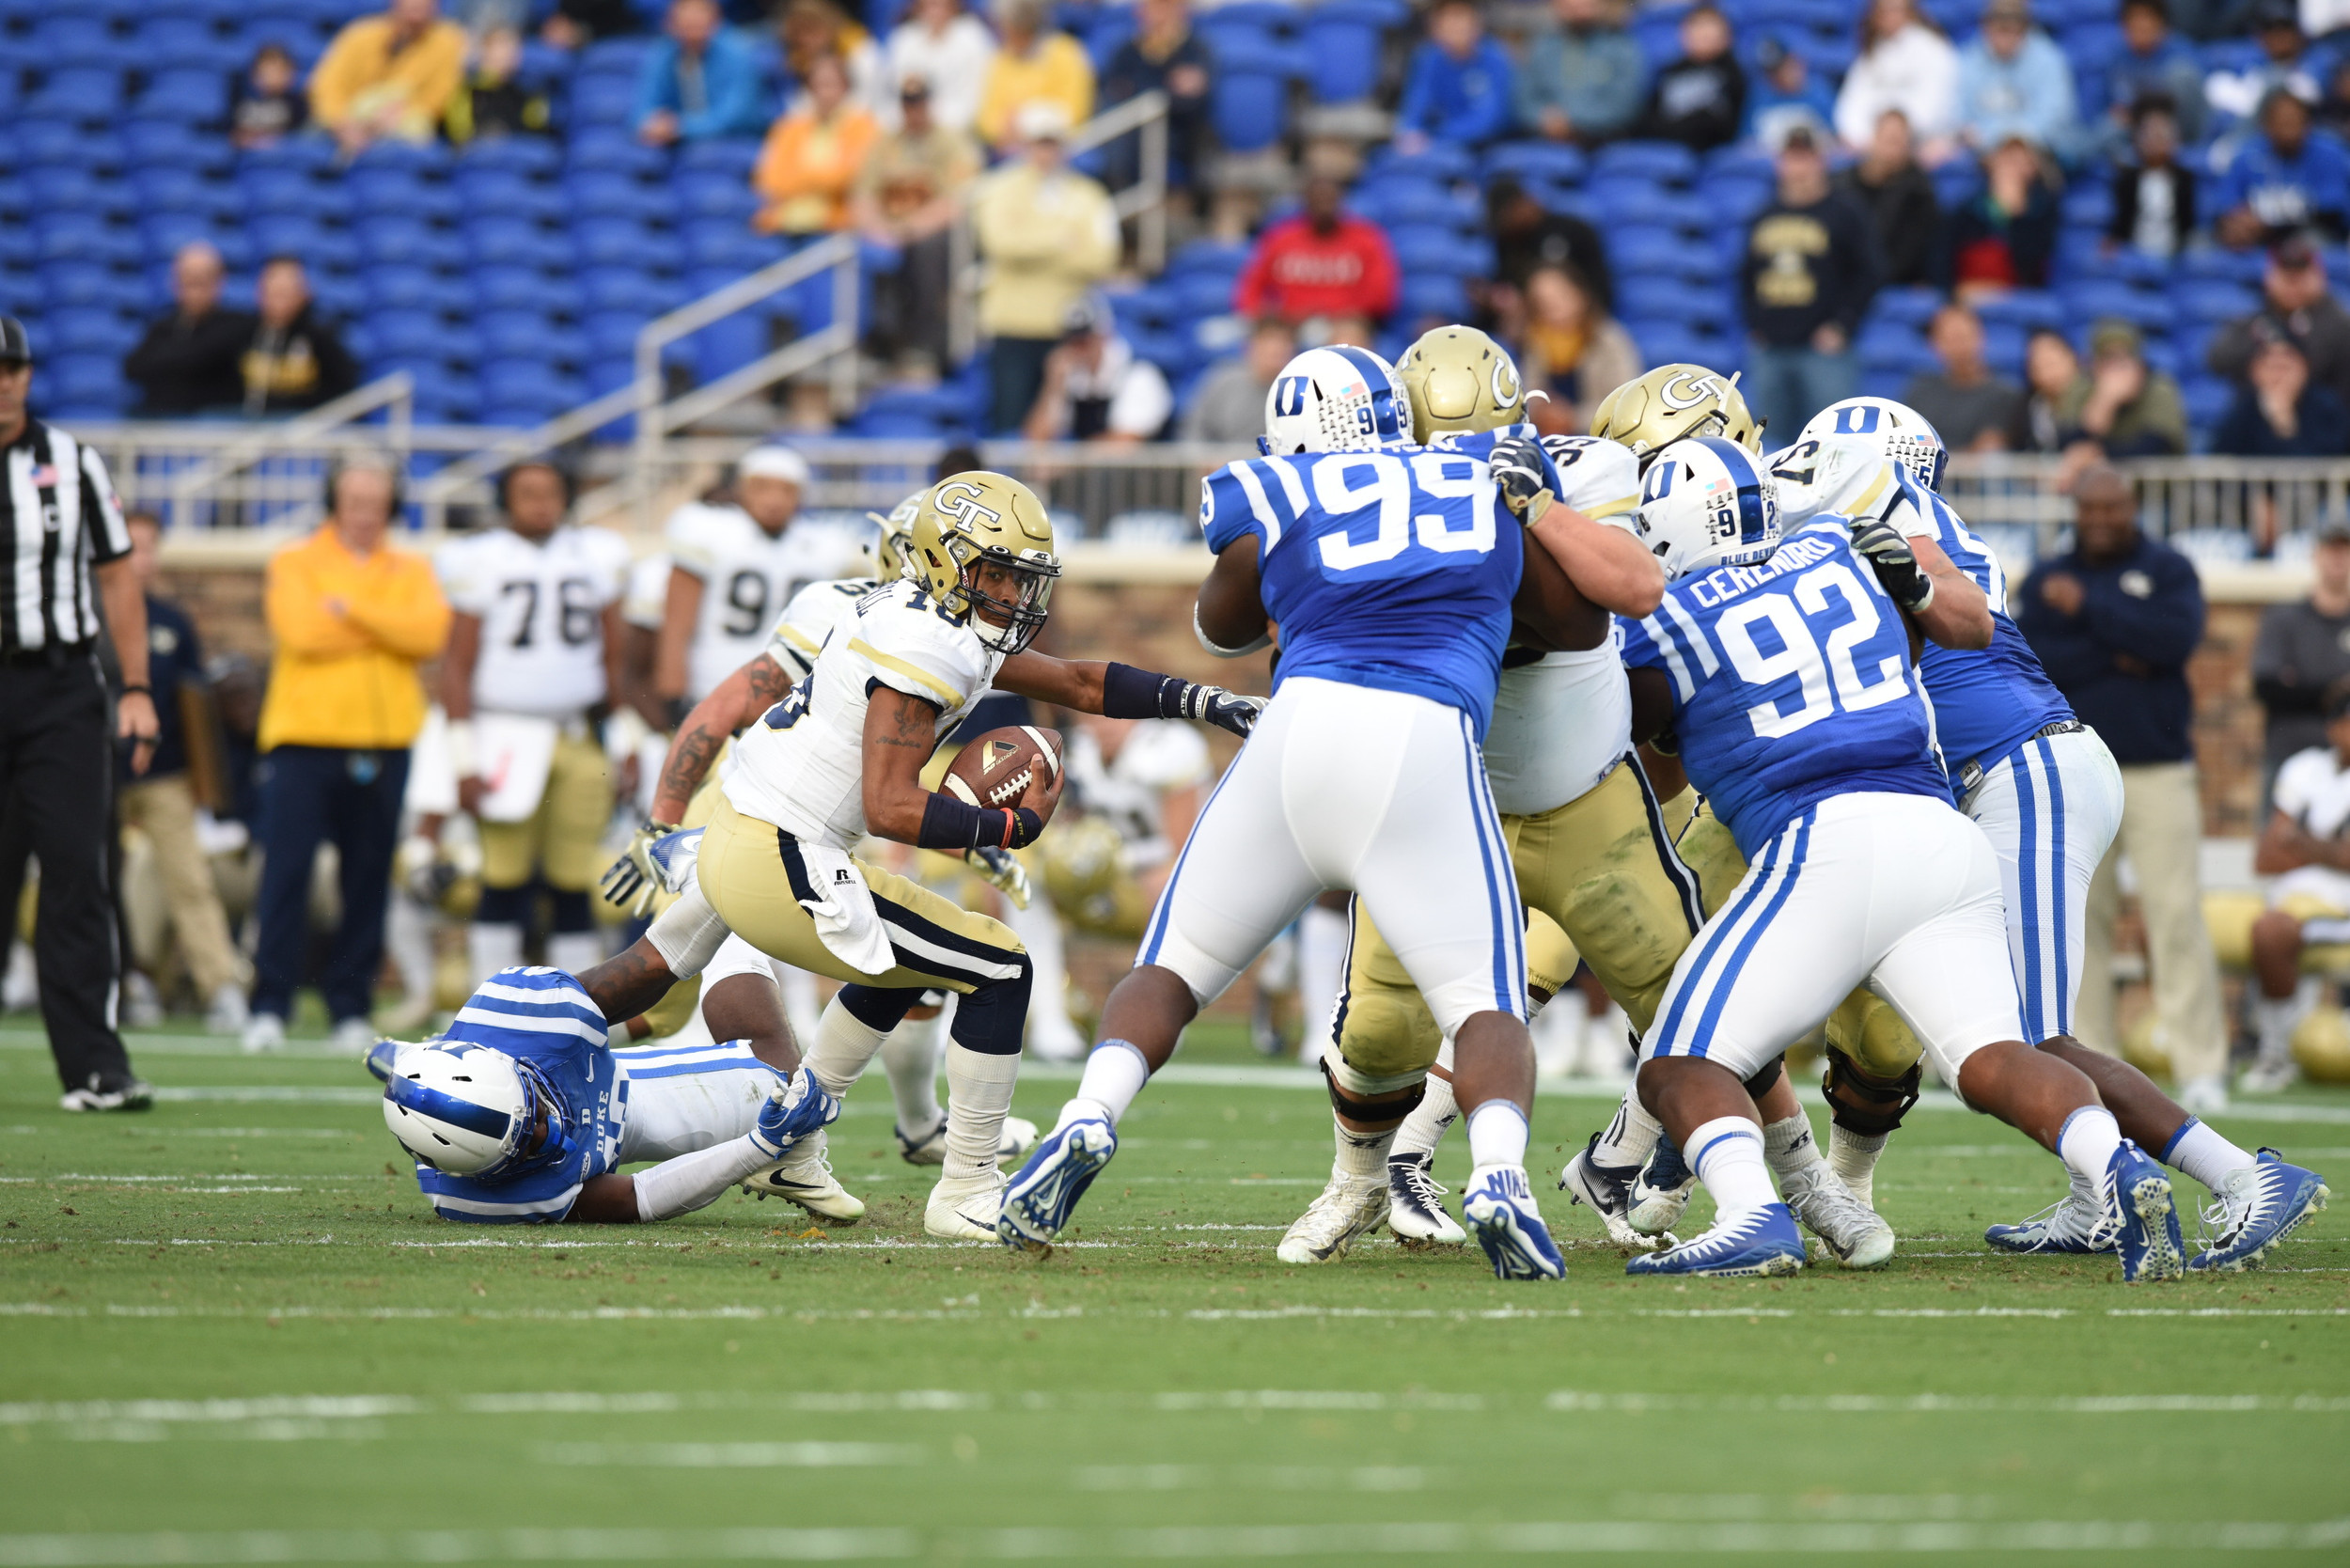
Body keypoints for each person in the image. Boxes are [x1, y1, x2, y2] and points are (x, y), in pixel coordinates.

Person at [996, 345, 1621, 1279]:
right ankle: (1497, 1176)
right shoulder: (1476, 485)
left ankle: (1088, 1116)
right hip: (1421, 739)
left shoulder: (1274, 491)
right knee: (1485, 1006)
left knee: (1173, 969)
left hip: (1295, 733)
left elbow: (1222, 625)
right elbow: (1579, 624)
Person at [594, 472, 1264, 1239]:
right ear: (947, 562)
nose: (1016, 593)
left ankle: (793, 1136)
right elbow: (892, 806)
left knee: (907, 963)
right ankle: (967, 1187)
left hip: (748, 839)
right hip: (780, 855)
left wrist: (1206, 701)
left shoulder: (918, 612)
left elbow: (1078, 681)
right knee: (1000, 968)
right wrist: (1009, 832)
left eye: (1024, 576)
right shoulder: (930, 641)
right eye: (1000, 573)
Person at [1336, 349, 1888, 1270]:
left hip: (1632, 787)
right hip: (1547, 777)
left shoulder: (1732, 522)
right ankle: (1420, 1156)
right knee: (1486, 989)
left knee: (1695, 992)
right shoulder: (1573, 493)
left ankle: (1773, 1180)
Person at [1620, 437, 2198, 1282]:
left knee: (1678, 1062)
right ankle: (2117, 1167)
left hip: (1825, 842)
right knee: (1994, 1060)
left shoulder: (1668, 621)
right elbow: (1965, 625)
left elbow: (1644, 755)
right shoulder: (1841, 547)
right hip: (1944, 837)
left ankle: (1751, 1215)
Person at [1764, 402, 2318, 1272]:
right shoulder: (1916, 522)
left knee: (2023, 1040)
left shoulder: (1887, 519)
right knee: (2011, 1035)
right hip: (2020, 769)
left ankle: (2243, 1175)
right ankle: (2098, 1199)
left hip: (2023, 769)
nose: (1797, 466)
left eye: (1813, 454)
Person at [2016, 466, 2231, 1114]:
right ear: (2076, 510)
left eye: (2114, 508)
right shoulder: (2045, 572)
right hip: (2076, 766)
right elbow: (2038, 660)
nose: (2103, 520)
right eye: (2092, 509)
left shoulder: (2167, 569)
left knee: (2174, 914)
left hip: (2156, 768)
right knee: (2083, 922)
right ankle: (2094, 1067)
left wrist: (2088, 611)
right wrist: (2123, 650)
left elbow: (2174, 641)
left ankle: (2201, 1067)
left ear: (2132, 506)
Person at [0, 318, 158, 1111]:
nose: (1, 384)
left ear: (27, 376)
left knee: (75, 874)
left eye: (9, 370)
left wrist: (134, 687)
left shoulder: (72, 463)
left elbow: (119, 577)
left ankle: (96, 1065)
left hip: (60, 687)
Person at [244, 451, 451, 1054]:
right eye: (354, 501)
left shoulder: (410, 566)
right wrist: (383, 623)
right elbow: (302, 632)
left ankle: (350, 1004)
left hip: (385, 742)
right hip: (303, 740)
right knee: (286, 874)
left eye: (376, 502)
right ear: (334, 502)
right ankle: (269, 1002)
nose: (364, 514)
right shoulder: (296, 559)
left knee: (368, 879)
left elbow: (430, 634)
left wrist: (350, 607)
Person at [376, 963, 841, 1226]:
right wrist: (758, 1148)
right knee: (781, 1078)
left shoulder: (519, 1011)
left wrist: (719, 898)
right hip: (625, 1120)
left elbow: (657, 956)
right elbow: (642, 1197)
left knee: (771, 1073)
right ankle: (784, 1165)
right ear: (483, 1171)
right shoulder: (477, 1200)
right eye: (525, 1145)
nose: (547, 1132)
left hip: (603, 1078)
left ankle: (715, 898)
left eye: (531, 1113)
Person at [434, 462, 636, 989]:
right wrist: (462, 758)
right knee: (502, 878)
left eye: (550, 492)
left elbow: (617, 663)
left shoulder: (595, 554)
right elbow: (455, 666)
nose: (540, 504)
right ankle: (488, 1004)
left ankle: (570, 1013)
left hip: (577, 732)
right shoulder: (480, 559)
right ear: (505, 500)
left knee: (574, 883)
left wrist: (627, 741)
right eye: (527, 493)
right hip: (504, 733)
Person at [114, 512, 250, 1036]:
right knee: (89, 883)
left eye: (148, 548)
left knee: (189, 882)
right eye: (130, 547)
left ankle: (221, 986)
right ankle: (116, 981)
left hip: (164, 773)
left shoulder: (172, 622)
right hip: (97, 774)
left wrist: (205, 784)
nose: (139, 559)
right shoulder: (83, 615)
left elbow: (194, 709)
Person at [655, 446, 863, 708]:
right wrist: (673, 688)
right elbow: (676, 623)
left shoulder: (825, 545)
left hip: (793, 692)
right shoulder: (709, 531)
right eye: (762, 487)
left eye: (786, 490)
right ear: (741, 489)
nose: (774, 499)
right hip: (715, 683)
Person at [972, 102, 1120, 434]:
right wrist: (1061, 239)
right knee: (1010, 421)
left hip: (1068, 329)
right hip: (1013, 327)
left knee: (1062, 428)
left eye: (1053, 142)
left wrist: (1030, 242)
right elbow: (1000, 243)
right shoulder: (999, 188)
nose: (1046, 151)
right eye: (1040, 142)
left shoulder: (1088, 195)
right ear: (1026, 145)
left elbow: (1101, 257)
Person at [1741, 129, 1881, 442]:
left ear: (1821, 162)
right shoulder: (1764, 214)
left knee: (1834, 441)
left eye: (1806, 158)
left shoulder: (1844, 212)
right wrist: (1755, 325)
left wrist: (1843, 326)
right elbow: (1746, 275)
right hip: (1771, 348)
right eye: (1792, 158)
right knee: (1766, 443)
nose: (1799, 168)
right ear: (1780, 164)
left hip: (1824, 351)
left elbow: (1868, 273)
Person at [2248, 686, 2350, 1091]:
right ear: (2333, 726)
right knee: (2268, 925)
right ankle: (2276, 1049)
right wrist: (2331, 851)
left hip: (2341, 908)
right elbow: (2266, 857)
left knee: (2273, 930)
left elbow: (2287, 843)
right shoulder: (2304, 768)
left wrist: (2301, 842)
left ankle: (2276, 1049)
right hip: (2291, 899)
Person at [853, 75, 981, 378]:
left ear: (929, 103)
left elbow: (958, 199)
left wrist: (911, 229)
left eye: (919, 102)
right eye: (908, 103)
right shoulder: (885, 143)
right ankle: (875, 340)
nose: (914, 110)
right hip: (890, 231)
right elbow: (862, 197)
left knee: (928, 251)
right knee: (859, 253)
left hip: (934, 230)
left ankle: (925, 346)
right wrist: (880, 230)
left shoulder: (951, 142)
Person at [1232, 175, 1400, 330]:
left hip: (1344, 326)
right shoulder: (1281, 238)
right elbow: (1251, 288)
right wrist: (1268, 317)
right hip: (1289, 326)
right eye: (1318, 199)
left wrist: (1342, 314)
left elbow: (1381, 295)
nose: (1324, 206)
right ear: (1305, 201)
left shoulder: (1366, 238)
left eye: (1329, 199)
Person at [2209, 232, 2350, 411]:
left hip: (2328, 425)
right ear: (2270, 275)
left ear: (2319, 275)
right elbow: (2217, 360)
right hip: (2260, 425)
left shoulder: (2340, 324)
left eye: (2301, 274)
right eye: (2285, 275)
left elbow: (2323, 366)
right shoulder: (2253, 321)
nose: (2293, 284)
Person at [2253, 521, 2350, 780]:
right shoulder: (2284, 618)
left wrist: (2302, 686)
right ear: (2315, 556)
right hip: (2289, 756)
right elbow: (2267, 687)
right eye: (2331, 550)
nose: (2338, 559)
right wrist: (2334, 690)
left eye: (2345, 551)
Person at [309, 0, 469, 155]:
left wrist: (401, 114)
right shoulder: (360, 35)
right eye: (411, 9)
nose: (415, 18)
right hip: (345, 123)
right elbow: (327, 86)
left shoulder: (447, 42)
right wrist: (342, 123)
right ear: (395, 6)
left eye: (423, 9)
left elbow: (440, 94)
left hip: (403, 126)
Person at [752, 54, 881, 235]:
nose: (823, 93)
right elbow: (771, 182)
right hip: (785, 222)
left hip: (839, 223)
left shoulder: (864, 126)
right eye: (817, 85)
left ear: (845, 87)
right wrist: (823, 179)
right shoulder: (788, 128)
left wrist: (801, 178)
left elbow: (852, 178)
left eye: (830, 85)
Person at [123, 243, 256, 419]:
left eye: (200, 282)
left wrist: (169, 361)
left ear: (219, 282)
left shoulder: (237, 325)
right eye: (187, 282)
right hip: (163, 429)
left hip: (215, 431)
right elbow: (133, 367)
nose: (193, 292)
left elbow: (204, 355)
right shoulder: (162, 326)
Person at [1022, 297, 1173, 444]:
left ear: (1103, 337)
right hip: (1086, 468)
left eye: (1084, 341)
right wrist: (1054, 385)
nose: (1078, 349)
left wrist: (1067, 460)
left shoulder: (1139, 375)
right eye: (1072, 342)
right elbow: (1036, 439)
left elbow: (1125, 443)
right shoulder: (1071, 378)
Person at [1098, 0, 1212, 195]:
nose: (1159, 15)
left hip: (1178, 139)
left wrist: (1152, 93)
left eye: (1166, 7)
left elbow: (1190, 104)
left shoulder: (1196, 50)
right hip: (1130, 137)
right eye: (1153, 6)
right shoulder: (1126, 52)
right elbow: (1115, 93)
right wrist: (1167, 89)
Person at [2216, 87, 2350, 249]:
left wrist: (2271, 222)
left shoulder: (2329, 154)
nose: (2289, 129)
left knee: (2311, 240)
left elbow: (2331, 212)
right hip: (2254, 238)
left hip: (2310, 235)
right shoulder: (2246, 156)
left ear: (2308, 124)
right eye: (2282, 122)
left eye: (2295, 121)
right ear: (2266, 125)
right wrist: (2238, 223)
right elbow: (2226, 206)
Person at [1515, 264, 1639, 436]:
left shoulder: (1609, 340)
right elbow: (1527, 398)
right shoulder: (1535, 341)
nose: (1553, 308)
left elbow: (1625, 401)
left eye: (1560, 297)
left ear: (1580, 295)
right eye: (1542, 303)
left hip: (1603, 439)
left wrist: (1572, 418)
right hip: (1549, 438)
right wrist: (1541, 413)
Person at [1954, 0, 2079, 160]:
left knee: (2012, 160)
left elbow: (2054, 118)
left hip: (2036, 148)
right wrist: (1993, 138)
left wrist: (2011, 137)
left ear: (2026, 29)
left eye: (2013, 30)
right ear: (1985, 27)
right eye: (2000, 28)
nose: (2005, 37)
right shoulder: (1968, 60)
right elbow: (1962, 119)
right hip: (1981, 151)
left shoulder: (2048, 58)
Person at [1937, 133, 2060, 298]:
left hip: (2017, 296)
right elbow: (1944, 256)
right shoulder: (1969, 209)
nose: (2012, 170)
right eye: (2008, 161)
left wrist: (2015, 213)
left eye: (2022, 163)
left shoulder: (2042, 211)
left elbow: (2032, 264)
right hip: (1968, 294)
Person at [634, 0, 769, 147]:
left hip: (735, 139)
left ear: (716, 21)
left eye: (698, 21)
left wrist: (681, 127)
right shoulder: (663, 53)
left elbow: (737, 115)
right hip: (680, 141)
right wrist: (649, 124)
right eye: (685, 23)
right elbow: (643, 106)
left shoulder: (737, 53)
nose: (692, 28)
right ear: (670, 24)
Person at [1514, 0, 1647, 148]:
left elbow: (1625, 105)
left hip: (1604, 142)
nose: (1578, 12)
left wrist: (1571, 120)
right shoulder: (1544, 47)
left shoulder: (1621, 47)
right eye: (1569, 7)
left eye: (1584, 5)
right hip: (1546, 141)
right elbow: (1524, 98)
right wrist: (1544, 118)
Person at [1833, 110, 1941, 288]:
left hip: (1894, 283)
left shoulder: (1919, 193)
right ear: (1873, 138)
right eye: (1887, 139)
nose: (1891, 150)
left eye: (1898, 142)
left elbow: (1908, 257)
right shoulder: (1841, 184)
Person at [1834, 0, 1959, 154]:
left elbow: (1936, 106)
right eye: (1883, 11)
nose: (1889, 16)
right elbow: (1851, 106)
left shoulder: (1933, 49)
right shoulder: (1871, 53)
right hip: (1872, 146)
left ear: (1910, 11)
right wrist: (1865, 139)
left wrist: (1894, 136)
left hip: (1918, 144)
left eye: (1895, 10)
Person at [241, 258, 360, 416]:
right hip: (248, 428)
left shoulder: (322, 339)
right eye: (272, 294)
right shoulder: (241, 334)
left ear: (304, 295)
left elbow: (344, 392)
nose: (278, 304)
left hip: (305, 431)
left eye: (285, 294)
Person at [1394, 0, 1516, 154]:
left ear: (1477, 23)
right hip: (1433, 145)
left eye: (1461, 18)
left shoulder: (1496, 58)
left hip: (1483, 148)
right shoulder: (1427, 58)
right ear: (1435, 26)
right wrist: (1410, 133)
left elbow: (1488, 119)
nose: (1455, 26)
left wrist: (1437, 138)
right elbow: (1415, 108)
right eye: (1448, 19)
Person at [1904, 303, 2025, 450]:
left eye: (1963, 336)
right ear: (1934, 344)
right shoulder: (1920, 391)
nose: (1959, 346)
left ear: (1981, 336)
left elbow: (1989, 448)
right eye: (1950, 339)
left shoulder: (2004, 394)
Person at [975, 0, 1093, 150]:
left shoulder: (1065, 52)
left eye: (1006, 27)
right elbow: (986, 119)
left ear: (1022, 28)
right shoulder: (1000, 59)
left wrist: (1026, 122)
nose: (1003, 33)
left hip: (1061, 149)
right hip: (1011, 151)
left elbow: (1075, 111)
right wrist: (1004, 130)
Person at [1486, 177, 1613, 315]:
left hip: (1586, 316)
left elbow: (1600, 285)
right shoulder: (1508, 242)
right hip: (1532, 323)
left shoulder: (1572, 231)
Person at [2066, 319, 2188, 458]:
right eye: (2108, 359)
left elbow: (2157, 446)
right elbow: (2068, 445)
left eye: (2123, 360)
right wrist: (2103, 403)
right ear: (2094, 365)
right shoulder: (2081, 387)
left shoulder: (2160, 388)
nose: (2116, 370)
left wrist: (2098, 457)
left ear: (2139, 364)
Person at [2216, 330, 2350, 455]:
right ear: (2254, 371)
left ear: (2305, 368)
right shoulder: (2243, 409)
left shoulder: (2326, 406)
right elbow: (2221, 460)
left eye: (2285, 367)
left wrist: (2284, 424)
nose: (2278, 376)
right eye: (2271, 367)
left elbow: (2330, 460)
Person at [1637, 3, 1745, 154]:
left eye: (1710, 26)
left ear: (1726, 36)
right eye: (1697, 26)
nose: (1703, 33)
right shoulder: (1669, 72)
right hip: (1667, 150)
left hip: (1709, 154)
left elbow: (1724, 126)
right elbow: (1648, 122)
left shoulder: (1733, 73)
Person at [883, 0, 996, 137]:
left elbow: (978, 97)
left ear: (954, 5)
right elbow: (898, 95)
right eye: (930, 4)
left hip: (958, 129)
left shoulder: (973, 38)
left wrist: (934, 123)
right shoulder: (903, 39)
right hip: (910, 128)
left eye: (941, 4)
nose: (935, 11)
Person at [2105, 0, 2207, 149]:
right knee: (2109, 128)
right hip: (2132, 135)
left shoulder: (2181, 53)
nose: (2140, 26)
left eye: (2146, 19)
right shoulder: (2117, 59)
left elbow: (2193, 108)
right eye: (2133, 21)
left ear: (2162, 24)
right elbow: (2111, 107)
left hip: (2180, 135)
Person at [1181, 317, 1295, 446]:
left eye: (1282, 343)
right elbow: (1194, 429)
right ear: (1251, 346)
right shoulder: (1223, 382)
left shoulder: (1299, 392)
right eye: (1267, 342)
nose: (1275, 350)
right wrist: (1204, 458)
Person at [2107, 100, 2196, 259]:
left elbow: (2188, 224)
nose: (2155, 141)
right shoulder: (2126, 179)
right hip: (2134, 253)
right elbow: (2120, 222)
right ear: (2137, 140)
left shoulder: (2185, 179)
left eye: (2161, 135)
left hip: (2174, 255)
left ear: (2174, 141)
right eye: (2149, 135)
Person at [444, 24, 553, 144]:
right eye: (501, 46)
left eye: (513, 47)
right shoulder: (469, 87)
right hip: (478, 148)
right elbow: (459, 132)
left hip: (516, 147)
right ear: (485, 52)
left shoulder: (528, 90)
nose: (508, 53)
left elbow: (536, 126)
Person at [1744, 36, 1835, 151]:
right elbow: (1747, 142)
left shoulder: (1819, 93)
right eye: (1772, 72)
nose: (1779, 76)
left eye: (1783, 67)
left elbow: (1835, 138)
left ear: (1796, 62)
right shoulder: (1759, 96)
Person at [2011, 326, 2091, 454]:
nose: (2049, 373)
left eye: (2052, 362)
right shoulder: (2029, 408)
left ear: (2072, 358)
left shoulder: (2094, 396)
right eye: (2039, 365)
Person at [229, 42, 308, 149]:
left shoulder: (297, 103)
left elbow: (300, 138)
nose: (273, 78)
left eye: (280, 72)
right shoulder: (239, 97)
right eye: (268, 72)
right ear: (254, 74)